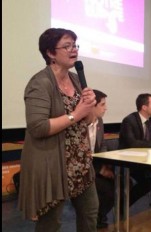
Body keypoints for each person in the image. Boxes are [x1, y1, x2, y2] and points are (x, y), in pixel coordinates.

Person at [18, 28, 99, 232]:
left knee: (90, 212)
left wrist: (90, 107)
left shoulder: (76, 79)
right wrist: (77, 113)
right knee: (51, 223)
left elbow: (88, 119)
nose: (73, 50)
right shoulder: (40, 83)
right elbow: (38, 127)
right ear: (50, 53)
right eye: (67, 46)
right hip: (53, 164)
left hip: (80, 162)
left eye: (74, 45)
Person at [118, 93, 151, 209]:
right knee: (147, 183)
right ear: (144, 107)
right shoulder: (129, 120)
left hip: (146, 160)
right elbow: (132, 143)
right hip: (129, 162)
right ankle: (122, 207)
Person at [85, 90, 114, 229]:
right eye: (102, 104)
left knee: (121, 184)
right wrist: (100, 170)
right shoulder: (80, 123)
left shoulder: (99, 121)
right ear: (92, 106)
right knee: (108, 190)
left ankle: (99, 215)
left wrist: (104, 164)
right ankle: (96, 217)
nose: (105, 108)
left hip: (96, 166)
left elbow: (102, 145)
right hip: (83, 171)